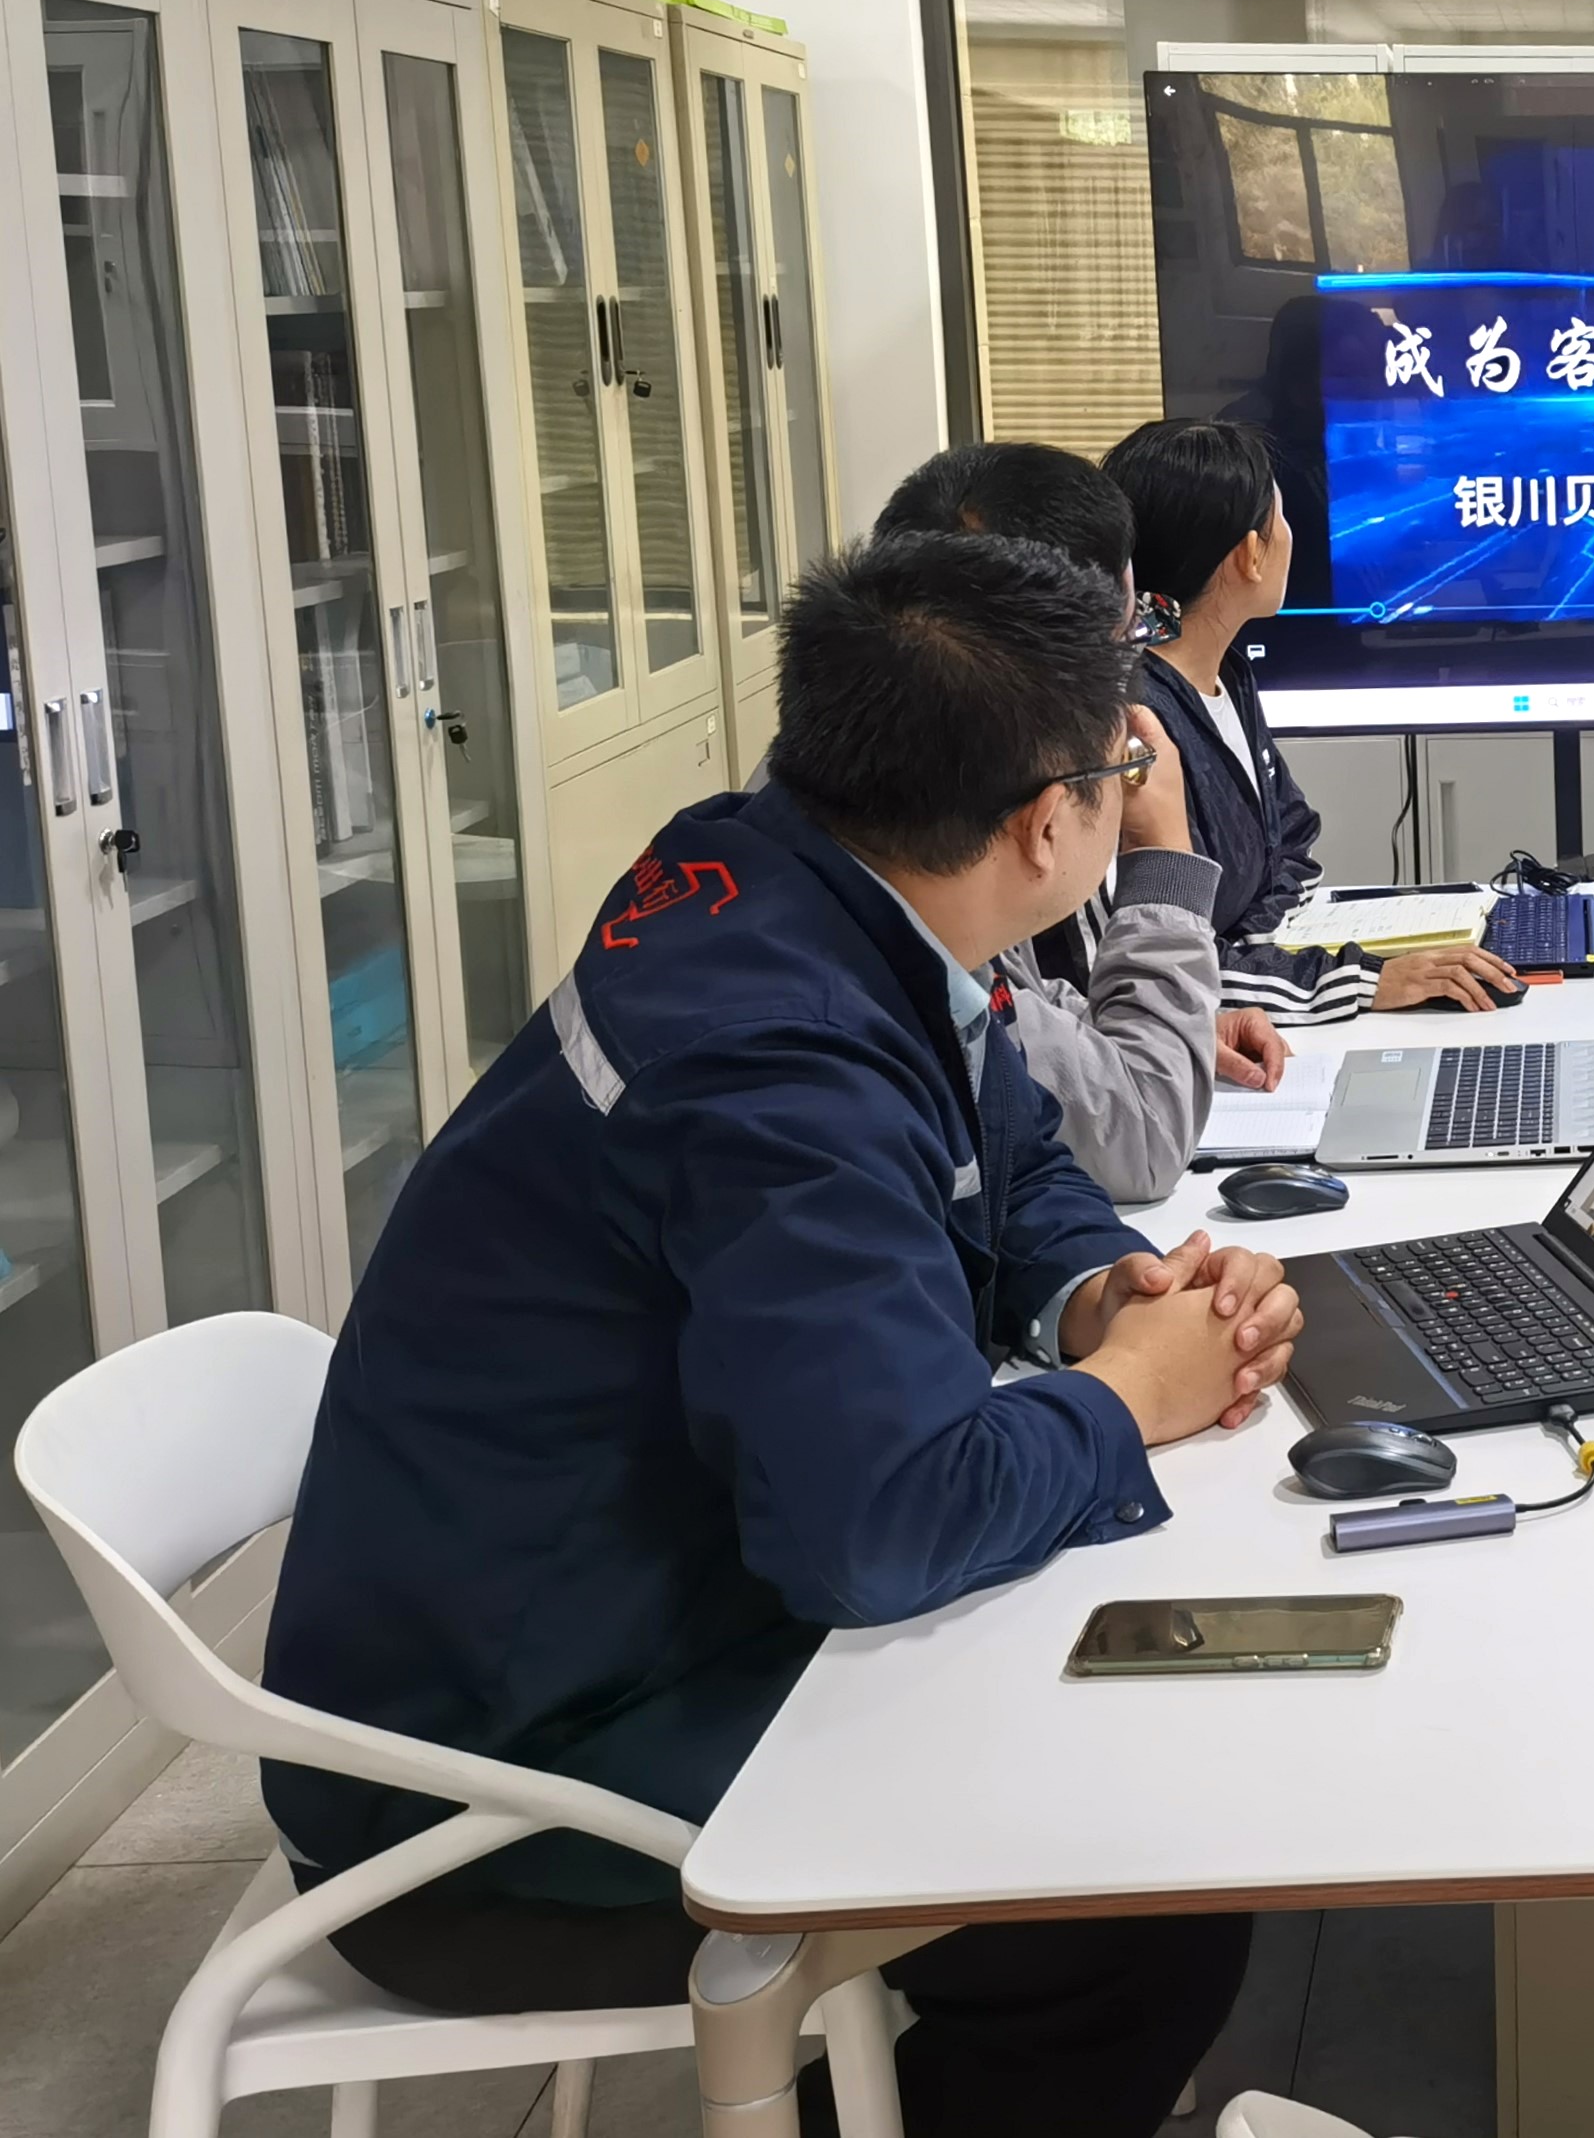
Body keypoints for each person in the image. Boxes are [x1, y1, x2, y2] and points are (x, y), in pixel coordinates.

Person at [261, 534, 1300, 2138]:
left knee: (1127, 1741)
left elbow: (1011, 1149)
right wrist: (1121, 1399)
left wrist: (1103, 1292)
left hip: (626, 1620)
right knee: (1133, 1906)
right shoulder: (775, 1056)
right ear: (1049, 823)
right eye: (1118, 769)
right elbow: (880, 1522)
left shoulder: (789, 882)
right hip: (491, 1796)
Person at [869, 439, 1290, 1199]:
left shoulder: (879, 836)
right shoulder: (875, 983)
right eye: (1134, 636)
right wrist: (1162, 853)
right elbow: (1144, 1138)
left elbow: (1020, 1020)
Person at [1110, 415, 1521, 1021]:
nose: (1290, 536)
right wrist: (1359, 980)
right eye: (1280, 519)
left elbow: (1291, 840)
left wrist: (1275, 949)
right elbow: (1168, 962)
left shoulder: (1228, 674)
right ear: (1250, 554)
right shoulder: (1136, 725)